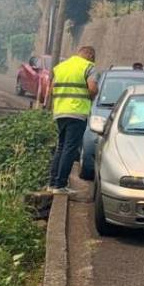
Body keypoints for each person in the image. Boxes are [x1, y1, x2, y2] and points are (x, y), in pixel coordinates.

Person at [47, 46, 99, 193]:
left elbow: (51, 90)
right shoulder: (89, 67)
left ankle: (52, 183)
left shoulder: (61, 67)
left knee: (61, 147)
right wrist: (92, 97)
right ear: (90, 55)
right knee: (70, 148)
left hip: (60, 111)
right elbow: (92, 88)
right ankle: (60, 185)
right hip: (77, 112)